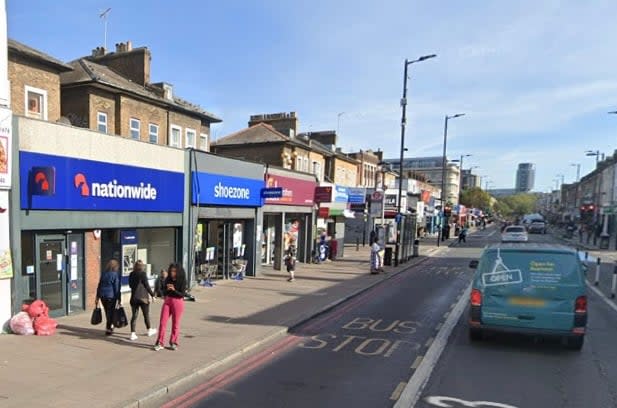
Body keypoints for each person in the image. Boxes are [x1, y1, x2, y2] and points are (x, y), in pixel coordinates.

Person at [154, 264, 187, 351]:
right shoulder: (168, 279)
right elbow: (164, 291)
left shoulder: (182, 280)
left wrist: (174, 290)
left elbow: (182, 294)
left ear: (178, 272)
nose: (172, 273)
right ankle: (160, 342)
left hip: (178, 302)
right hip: (168, 301)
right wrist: (166, 291)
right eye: (171, 271)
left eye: (174, 271)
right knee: (162, 322)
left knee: (175, 323)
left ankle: (173, 342)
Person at [128, 261, 157, 341]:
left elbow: (130, 285)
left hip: (134, 298)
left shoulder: (131, 274)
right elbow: (147, 285)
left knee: (134, 316)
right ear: (142, 266)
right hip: (143, 298)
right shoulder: (143, 274)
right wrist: (152, 295)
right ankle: (149, 330)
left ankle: (132, 334)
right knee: (146, 314)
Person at [96, 259, 121, 336]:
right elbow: (116, 287)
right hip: (111, 296)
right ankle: (109, 328)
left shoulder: (104, 274)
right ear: (115, 267)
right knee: (111, 312)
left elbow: (99, 285)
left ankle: (110, 326)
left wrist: (97, 297)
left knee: (107, 312)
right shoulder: (114, 275)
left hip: (103, 296)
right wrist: (119, 298)